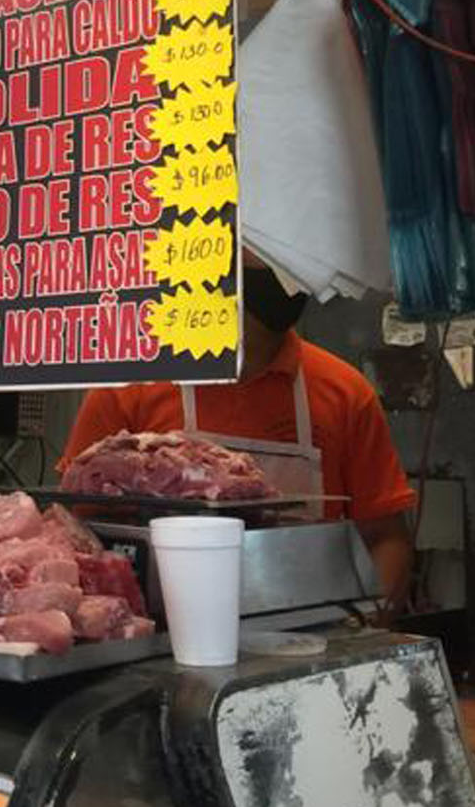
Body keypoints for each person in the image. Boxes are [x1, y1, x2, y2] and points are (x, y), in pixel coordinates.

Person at [59, 260, 418, 609]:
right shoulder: (129, 385)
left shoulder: (345, 392)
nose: (285, 268)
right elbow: (75, 533)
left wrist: (367, 634)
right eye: (264, 251)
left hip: (305, 639)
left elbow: (385, 538)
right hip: (159, 640)